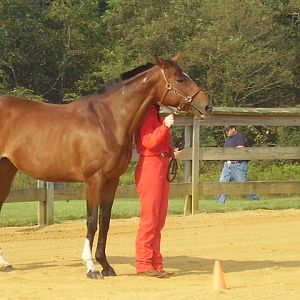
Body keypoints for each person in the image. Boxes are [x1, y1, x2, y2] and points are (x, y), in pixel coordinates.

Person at [134, 104, 181, 278]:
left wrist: (170, 151)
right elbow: (149, 142)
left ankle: (155, 263)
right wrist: (165, 126)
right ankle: (144, 263)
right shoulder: (146, 114)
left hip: (160, 164)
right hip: (150, 167)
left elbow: (158, 143)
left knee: (159, 219)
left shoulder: (153, 112)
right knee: (150, 218)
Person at [216, 125, 260, 204]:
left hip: (237, 165)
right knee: (222, 183)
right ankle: (220, 203)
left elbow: (240, 149)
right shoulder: (228, 140)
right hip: (227, 165)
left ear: (233, 129)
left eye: (228, 130)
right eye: (226, 130)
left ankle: (255, 200)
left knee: (243, 185)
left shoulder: (239, 137)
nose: (226, 132)